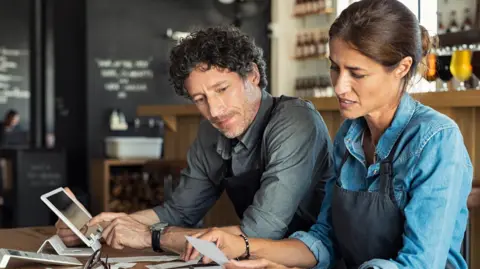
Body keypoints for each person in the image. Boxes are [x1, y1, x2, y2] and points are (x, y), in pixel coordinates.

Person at [182, 1, 473, 268]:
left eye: (356, 73)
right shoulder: (350, 135)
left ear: (402, 68)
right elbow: (324, 239)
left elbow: (420, 264)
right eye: (335, 68)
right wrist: (244, 246)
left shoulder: (436, 140)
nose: (339, 86)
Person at [56, 25, 335, 253]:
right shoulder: (210, 132)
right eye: (200, 99)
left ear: (253, 75)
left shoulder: (294, 121)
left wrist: (150, 237)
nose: (214, 111)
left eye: (222, 89)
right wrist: (107, 225)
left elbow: (260, 233)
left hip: (315, 259)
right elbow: (180, 211)